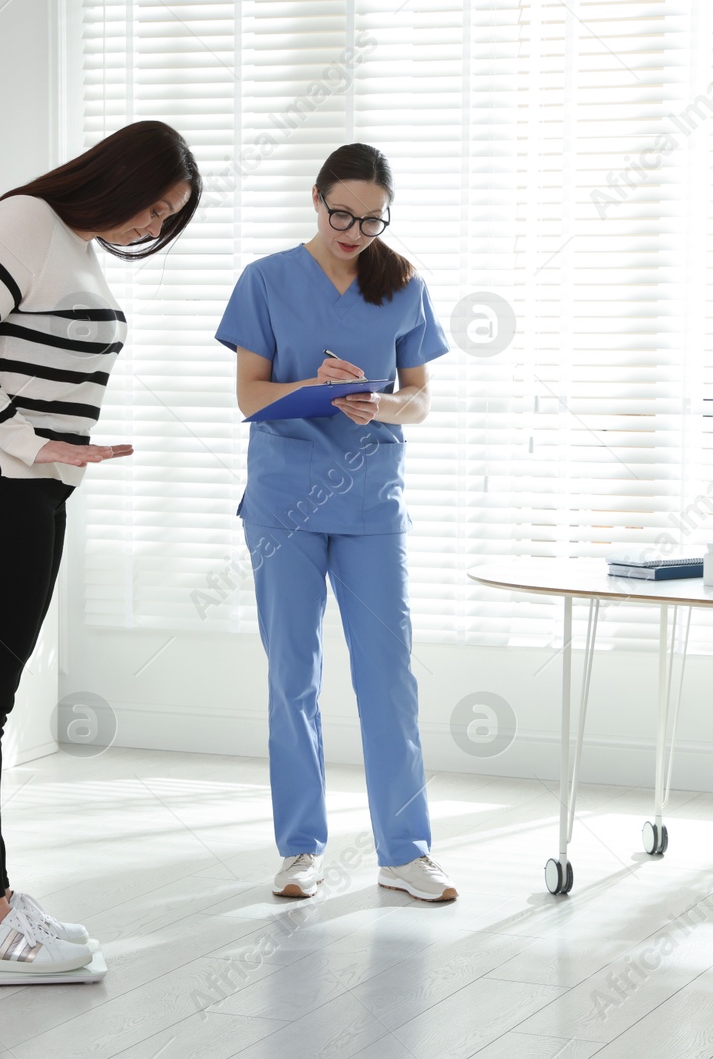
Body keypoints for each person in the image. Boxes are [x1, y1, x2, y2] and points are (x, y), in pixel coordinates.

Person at [0, 120, 200, 974]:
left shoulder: (72, 245)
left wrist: (43, 459)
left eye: (169, 219)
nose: (153, 226)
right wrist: (27, 440)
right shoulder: (25, 222)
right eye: (153, 205)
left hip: (16, 490)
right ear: (116, 177)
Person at [214, 143, 456, 902]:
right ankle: (300, 850)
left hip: (371, 503)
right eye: (341, 213)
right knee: (294, 676)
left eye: (372, 219)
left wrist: (379, 403)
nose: (354, 230)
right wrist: (308, 385)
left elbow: (419, 396)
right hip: (285, 499)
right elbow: (250, 396)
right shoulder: (266, 279)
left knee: (389, 679)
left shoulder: (403, 284)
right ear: (315, 199)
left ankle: (405, 852)